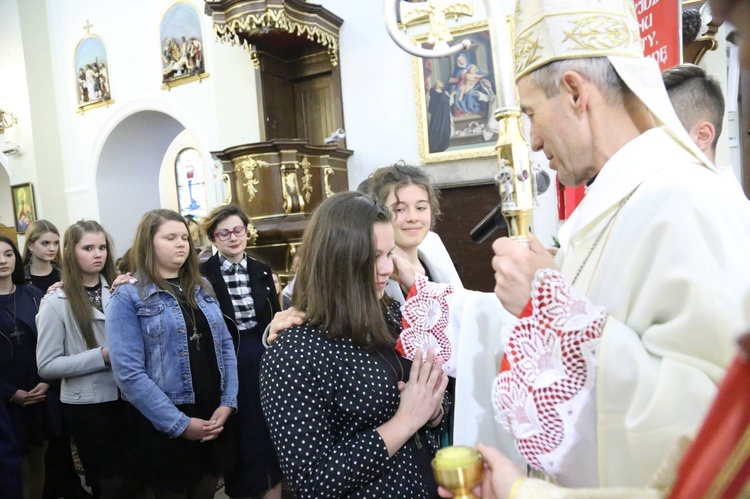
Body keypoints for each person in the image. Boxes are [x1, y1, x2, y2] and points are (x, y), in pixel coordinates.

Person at [399, 0, 750, 489]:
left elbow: (711, 424)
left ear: (574, 93)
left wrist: (548, 307)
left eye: (531, 114)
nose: (535, 141)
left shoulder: (686, 199)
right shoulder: (614, 205)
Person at [259, 191, 450, 498]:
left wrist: (434, 410)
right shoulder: (294, 350)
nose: (387, 269)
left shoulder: (390, 313)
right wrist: (404, 421)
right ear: (338, 257)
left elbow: (436, 397)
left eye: (389, 254)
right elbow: (312, 481)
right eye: (374, 256)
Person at [107, 209, 238, 499]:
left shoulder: (201, 286)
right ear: (148, 243)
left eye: (184, 238)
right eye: (170, 237)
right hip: (165, 418)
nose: (181, 244)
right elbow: (128, 373)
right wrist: (179, 424)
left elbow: (226, 346)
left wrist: (227, 403)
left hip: (213, 412)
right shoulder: (128, 296)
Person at [35, 220, 131, 498]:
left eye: (102, 247)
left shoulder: (120, 289)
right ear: (70, 252)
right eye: (88, 248)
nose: (97, 254)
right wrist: (101, 355)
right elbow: (47, 365)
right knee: (109, 482)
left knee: (134, 476)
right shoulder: (56, 300)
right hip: (89, 405)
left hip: (127, 397)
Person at [199, 205, 282, 499]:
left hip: (261, 348)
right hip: (228, 352)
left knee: (267, 419)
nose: (233, 238)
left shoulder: (260, 267)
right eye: (224, 233)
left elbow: (274, 315)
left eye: (238, 230)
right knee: (241, 425)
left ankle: (273, 482)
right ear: (214, 238)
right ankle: (244, 487)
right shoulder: (202, 272)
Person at [0, 235, 55, 499]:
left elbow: (53, 341)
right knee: (13, 465)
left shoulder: (33, 295)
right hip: (6, 397)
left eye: (8, 254)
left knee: (38, 457)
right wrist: (11, 393)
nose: (2, 261)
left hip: (39, 386)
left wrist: (46, 381)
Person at [22, 220, 61, 293]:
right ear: (30, 245)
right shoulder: (19, 278)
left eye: (56, 243)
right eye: (45, 243)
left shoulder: (65, 273)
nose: (53, 249)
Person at [428, 80, 453, 153]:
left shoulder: (442, 92)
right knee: (437, 130)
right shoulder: (434, 93)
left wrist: (449, 96)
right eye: (440, 82)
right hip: (437, 117)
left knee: (445, 129)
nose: (442, 83)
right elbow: (435, 105)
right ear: (436, 85)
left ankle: (443, 144)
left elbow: (447, 103)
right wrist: (446, 95)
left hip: (444, 115)